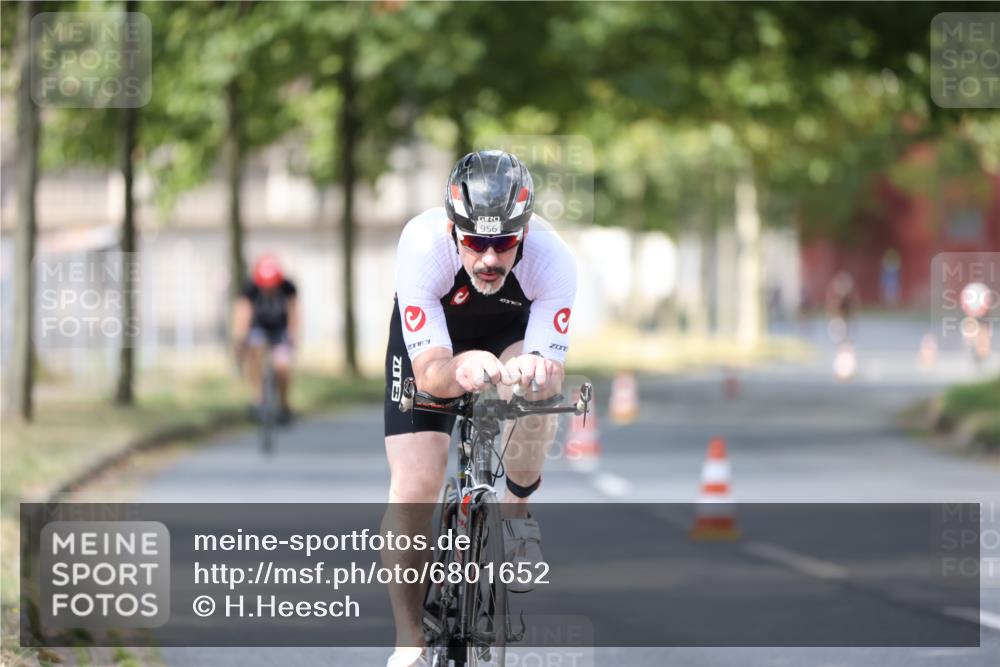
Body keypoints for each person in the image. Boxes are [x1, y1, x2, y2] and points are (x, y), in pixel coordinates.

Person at [382, 150, 577, 667]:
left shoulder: (553, 259)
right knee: (415, 486)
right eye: (474, 242)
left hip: (510, 333)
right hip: (435, 345)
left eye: (504, 243)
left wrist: (534, 371)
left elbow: (550, 365)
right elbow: (430, 373)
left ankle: (516, 515)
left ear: (524, 232)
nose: (489, 258)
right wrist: (461, 366)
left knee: (538, 389)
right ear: (453, 230)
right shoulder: (421, 246)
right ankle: (409, 641)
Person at [232, 254, 299, 424]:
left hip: (280, 329)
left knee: (282, 367)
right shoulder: (250, 288)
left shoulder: (288, 287)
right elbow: (243, 313)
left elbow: (294, 313)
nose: (269, 289)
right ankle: (257, 396)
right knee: (255, 351)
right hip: (258, 328)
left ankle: (283, 404)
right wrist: (240, 339)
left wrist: (293, 335)